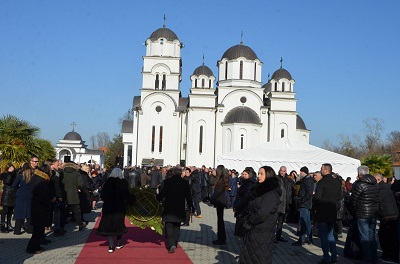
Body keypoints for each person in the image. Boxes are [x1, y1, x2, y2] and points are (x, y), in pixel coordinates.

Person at [239, 166, 282, 264]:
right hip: (254, 232)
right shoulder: (259, 191)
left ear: (268, 175)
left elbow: (262, 214)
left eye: (262, 174)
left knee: (260, 259)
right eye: (258, 173)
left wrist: (249, 220)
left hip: (263, 233)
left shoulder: (271, 193)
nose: (259, 176)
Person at [156, 166, 194, 253]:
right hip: (179, 208)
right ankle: (175, 243)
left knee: (169, 226)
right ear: (181, 173)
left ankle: (171, 244)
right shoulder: (185, 183)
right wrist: (191, 206)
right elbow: (188, 197)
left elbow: (162, 194)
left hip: (169, 208)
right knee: (177, 226)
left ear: (173, 173)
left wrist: (157, 198)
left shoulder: (167, 182)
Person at [96, 167, 132, 253]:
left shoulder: (108, 182)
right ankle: (119, 243)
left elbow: (103, 195)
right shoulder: (123, 182)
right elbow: (127, 195)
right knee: (119, 224)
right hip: (120, 207)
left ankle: (111, 245)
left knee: (109, 225)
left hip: (109, 206)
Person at [350, 165, 379, 264]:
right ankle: (374, 257)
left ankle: (367, 259)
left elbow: (353, 201)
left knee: (364, 237)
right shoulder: (375, 183)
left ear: (359, 174)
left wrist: (354, 211)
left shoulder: (359, 184)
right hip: (373, 213)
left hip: (362, 213)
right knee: (372, 236)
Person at [314, 163, 342, 264]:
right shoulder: (337, 182)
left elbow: (317, 197)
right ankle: (334, 257)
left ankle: (326, 257)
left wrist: (316, 200)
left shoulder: (322, 182)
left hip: (323, 212)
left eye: (321, 169)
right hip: (332, 211)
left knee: (324, 236)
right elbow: (340, 196)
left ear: (326, 170)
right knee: (330, 236)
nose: (320, 170)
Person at [26, 163, 53, 254]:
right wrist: (50, 200)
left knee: (39, 230)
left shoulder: (38, 178)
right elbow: (43, 197)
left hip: (37, 207)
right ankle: (31, 248)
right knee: (37, 231)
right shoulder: (42, 182)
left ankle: (36, 246)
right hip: (40, 209)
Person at [374, 173, 399, 263]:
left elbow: (376, 200)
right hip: (388, 215)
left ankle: (390, 255)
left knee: (388, 237)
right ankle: (388, 254)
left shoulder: (382, 189)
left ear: (378, 180)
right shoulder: (383, 187)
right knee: (386, 236)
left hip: (389, 215)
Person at [292, 166, 314, 246]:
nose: (299, 173)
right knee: (307, 222)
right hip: (306, 204)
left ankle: (301, 240)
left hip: (304, 204)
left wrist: (301, 200)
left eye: (301, 172)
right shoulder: (306, 179)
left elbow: (309, 193)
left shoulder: (307, 180)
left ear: (303, 172)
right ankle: (309, 239)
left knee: (303, 222)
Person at [62, 162, 86, 231]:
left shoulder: (62, 173)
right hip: (73, 194)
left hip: (64, 194)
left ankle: (62, 227)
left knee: (64, 211)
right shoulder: (76, 173)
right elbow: (80, 184)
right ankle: (80, 224)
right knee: (76, 211)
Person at [233, 168, 257, 237]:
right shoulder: (245, 183)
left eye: (245, 174)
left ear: (249, 175)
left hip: (244, 209)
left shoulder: (249, 184)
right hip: (241, 207)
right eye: (243, 174)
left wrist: (237, 207)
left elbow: (245, 198)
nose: (243, 175)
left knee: (243, 227)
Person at [12, 163, 33, 235]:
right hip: (30, 194)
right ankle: (30, 229)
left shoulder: (20, 176)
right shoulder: (32, 176)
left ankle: (17, 230)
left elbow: (14, 185)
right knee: (29, 212)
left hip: (21, 194)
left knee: (19, 212)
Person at [211, 165, 230, 246]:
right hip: (220, 201)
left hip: (220, 201)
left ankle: (221, 239)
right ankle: (221, 238)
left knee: (220, 220)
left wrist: (211, 200)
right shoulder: (223, 179)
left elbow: (217, 192)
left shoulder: (220, 180)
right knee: (220, 220)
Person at [275, 165, 292, 243]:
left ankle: (278, 236)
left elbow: (290, 191)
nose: (282, 172)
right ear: (279, 171)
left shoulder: (288, 180)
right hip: (278, 203)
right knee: (274, 221)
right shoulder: (276, 179)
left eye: (284, 171)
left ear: (286, 172)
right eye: (281, 170)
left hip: (285, 203)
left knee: (281, 222)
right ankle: (273, 237)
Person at [0, 163, 17, 233]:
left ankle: (8, 224)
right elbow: (7, 181)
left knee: (10, 211)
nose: (12, 169)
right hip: (7, 195)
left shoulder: (15, 174)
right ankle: (2, 225)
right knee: (5, 211)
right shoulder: (5, 174)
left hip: (13, 194)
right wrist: (9, 173)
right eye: (10, 168)